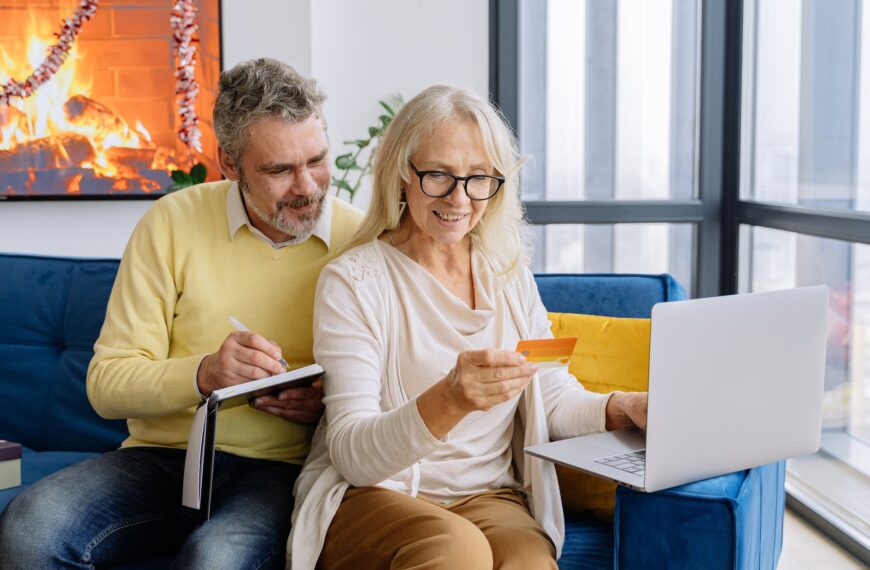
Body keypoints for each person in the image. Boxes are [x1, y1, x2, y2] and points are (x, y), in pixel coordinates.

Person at [0, 58, 363, 569]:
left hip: (281, 472)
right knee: (29, 527)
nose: (308, 187)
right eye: (279, 170)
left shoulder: (361, 240)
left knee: (212, 560)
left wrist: (324, 405)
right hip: (161, 461)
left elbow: (386, 398)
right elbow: (106, 385)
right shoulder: (173, 221)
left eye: (318, 160)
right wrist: (203, 373)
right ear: (230, 164)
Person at [287, 85, 648, 569]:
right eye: (438, 175)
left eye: (479, 178)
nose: (460, 198)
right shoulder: (354, 281)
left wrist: (625, 407)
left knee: (528, 560)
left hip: (489, 495)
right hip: (373, 495)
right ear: (401, 175)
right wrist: (450, 398)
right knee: (458, 550)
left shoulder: (507, 274)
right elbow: (353, 456)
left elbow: (553, 396)